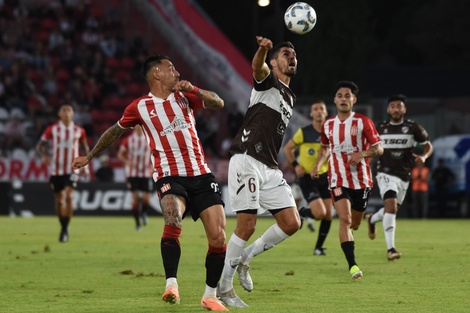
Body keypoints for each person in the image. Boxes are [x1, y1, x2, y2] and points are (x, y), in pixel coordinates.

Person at [71, 54, 229, 311]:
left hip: (200, 173)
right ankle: (171, 285)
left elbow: (218, 103)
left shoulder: (184, 96)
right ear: (157, 73)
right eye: (171, 68)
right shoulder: (139, 107)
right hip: (168, 175)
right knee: (172, 217)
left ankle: (210, 296)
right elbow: (114, 132)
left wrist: (195, 89)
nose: (176, 72)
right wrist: (89, 156)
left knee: (219, 237)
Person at [218, 37, 301, 307]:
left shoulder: (290, 95)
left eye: (294, 55)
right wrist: (264, 49)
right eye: (286, 54)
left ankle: (246, 258)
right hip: (247, 159)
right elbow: (257, 68)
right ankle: (225, 287)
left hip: (270, 166)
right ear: (275, 63)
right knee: (247, 225)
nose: (292, 58)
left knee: (292, 222)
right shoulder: (268, 81)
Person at [311, 81, 383, 280]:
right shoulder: (328, 125)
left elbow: (379, 148)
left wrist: (363, 153)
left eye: (347, 95)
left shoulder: (363, 122)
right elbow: (325, 147)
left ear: (354, 100)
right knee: (345, 219)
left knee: (355, 224)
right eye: (340, 95)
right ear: (335, 100)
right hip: (337, 179)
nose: (343, 99)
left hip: (361, 181)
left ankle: (368, 221)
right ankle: (353, 266)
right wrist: (318, 165)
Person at [366, 94, 433, 260]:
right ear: (388, 109)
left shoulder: (413, 127)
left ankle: (372, 219)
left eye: (399, 106)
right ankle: (391, 249)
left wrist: (424, 157)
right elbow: (372, 150)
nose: (396, 109)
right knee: (391, 207)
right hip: (385, 172)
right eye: (393, 106)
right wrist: (365, 164)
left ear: (404, 109)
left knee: (391, 210)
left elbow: (428, 146)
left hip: (404, 176)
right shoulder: (379, 128)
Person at [283, 100, 333, 256]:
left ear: (326, 113)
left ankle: (318, 248)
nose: (319, 111)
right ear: (311, 114)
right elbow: (288, 148)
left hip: (324, 177)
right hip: (306, 177)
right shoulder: (304, 132)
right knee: (319, 214)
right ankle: (303, 211)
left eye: (321, 109)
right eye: (315, 109)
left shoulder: (330, 133)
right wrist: (295, 165)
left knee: (328, 215)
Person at [36, 104, 89, 243]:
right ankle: (63, 226)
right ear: (59, 114)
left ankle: (65, 229)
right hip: (57, 170)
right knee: (59, 199)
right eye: (63, 110)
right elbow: (40, 145)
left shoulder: (79, 130)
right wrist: (44, 155)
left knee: (69, 197)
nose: (66, 113)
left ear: (72, 114)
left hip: (73, 169)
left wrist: (87, 163)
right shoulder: (52, 129)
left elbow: (85, 146)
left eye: (69, 110)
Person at [117, 125, 153, 230]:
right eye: (137, 125)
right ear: (133, 127)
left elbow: (156, 153)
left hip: (146, 173)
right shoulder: (128, 140)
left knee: (146, 199)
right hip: (132, 174)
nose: (139, 127)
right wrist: (127, 162)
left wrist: (152, 165)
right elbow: (120, 154)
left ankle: (144, 213)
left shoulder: (149, 138)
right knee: (136, 197)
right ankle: (137, 223)